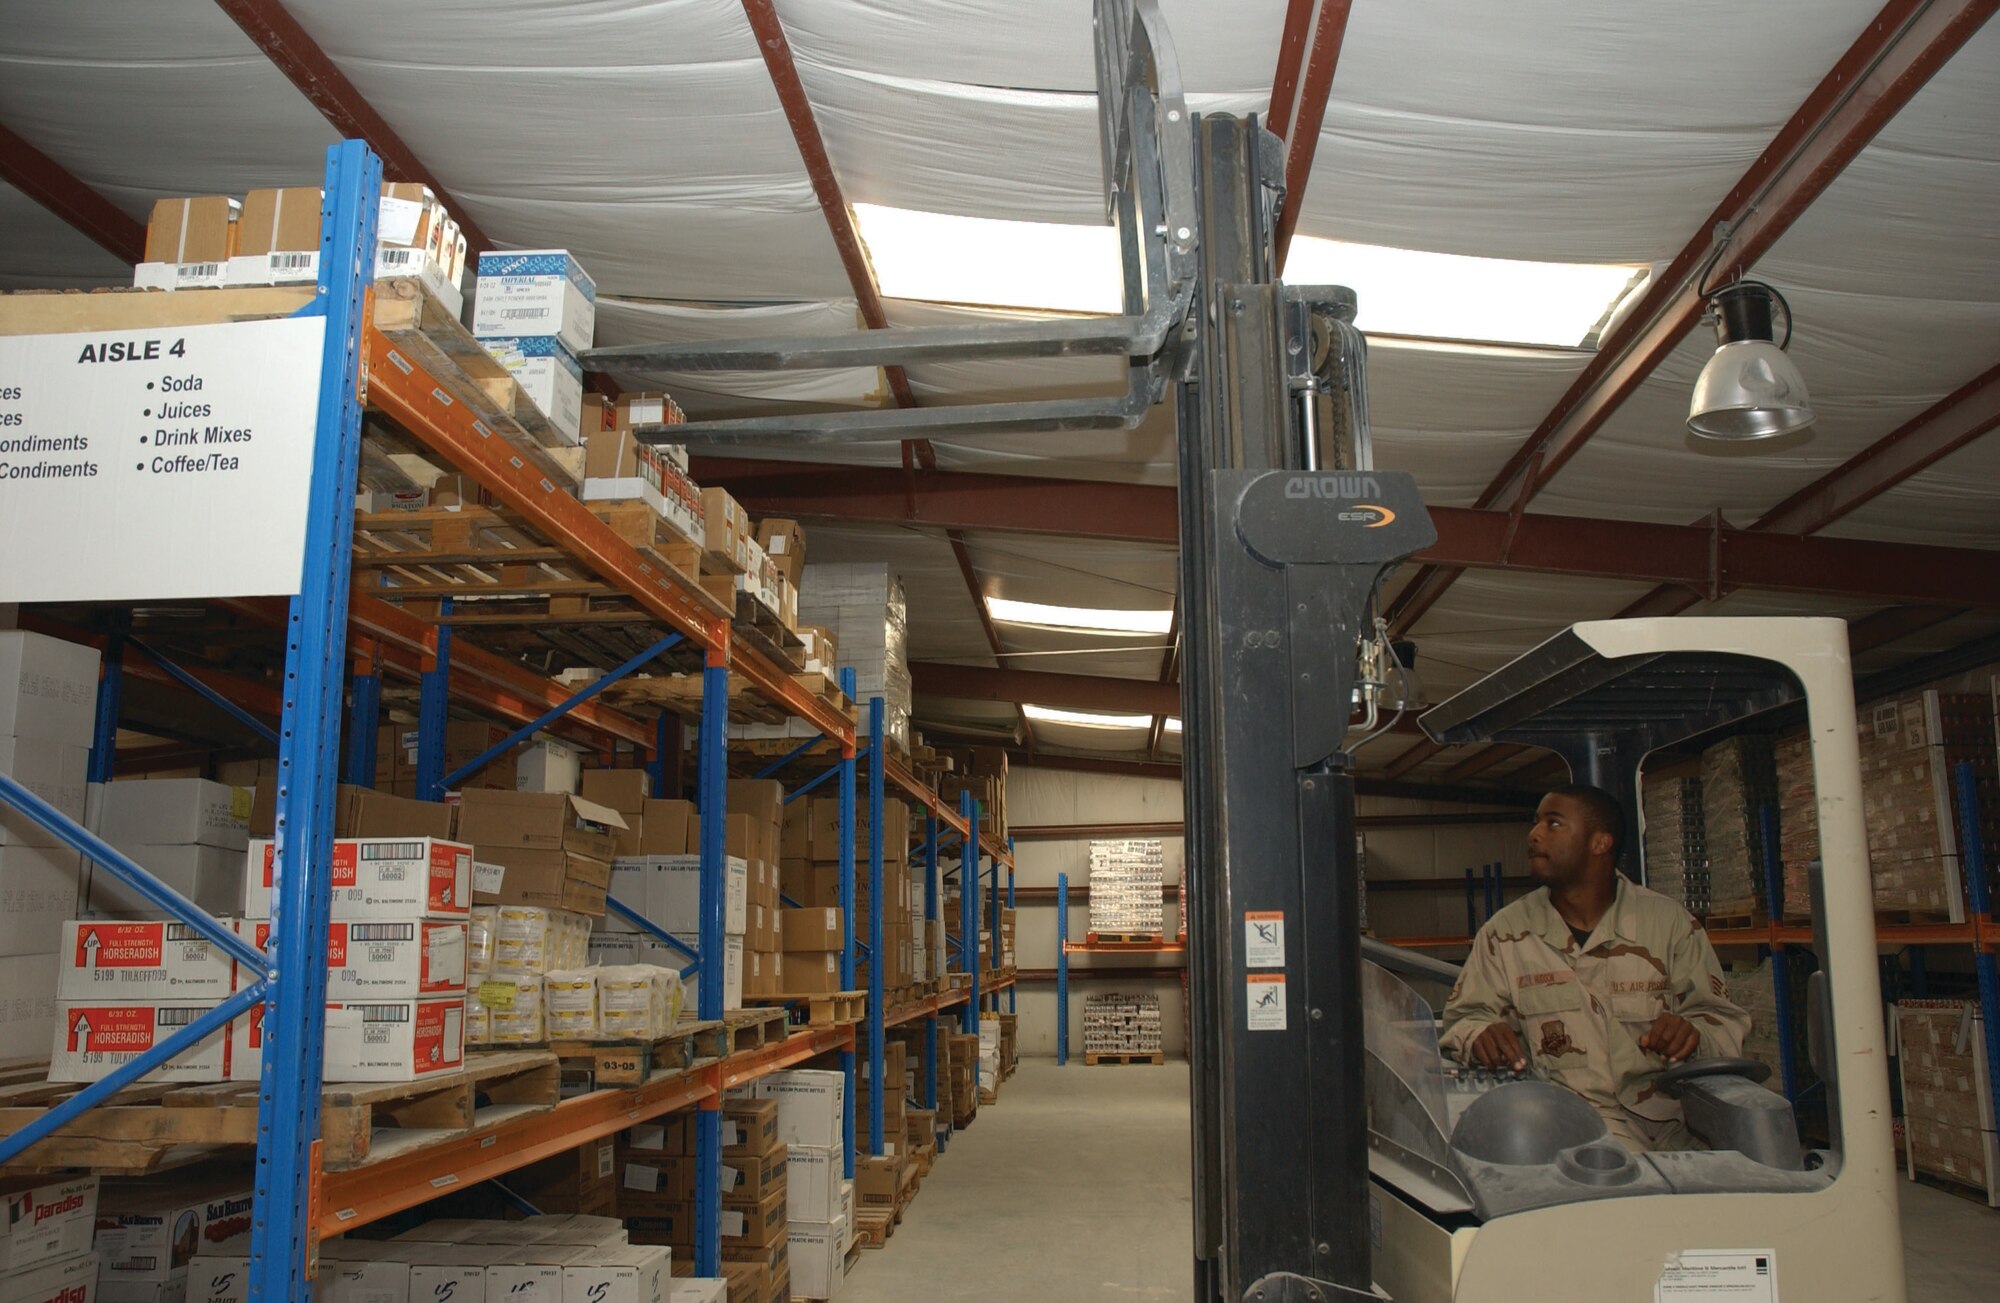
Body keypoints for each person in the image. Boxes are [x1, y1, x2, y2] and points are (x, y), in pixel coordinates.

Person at [1438, 783, 1751, 1152]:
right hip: (1568, 1130)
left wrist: (1693, 1035)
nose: (1534, 834)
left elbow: (1725, 1023)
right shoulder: (1505, 934)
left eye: (1553, 824)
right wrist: (1478, 1036)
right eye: (1536, 822)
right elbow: (1462, 1018)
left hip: (1678, 1126)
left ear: (1600, 843)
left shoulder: (1667, 925)